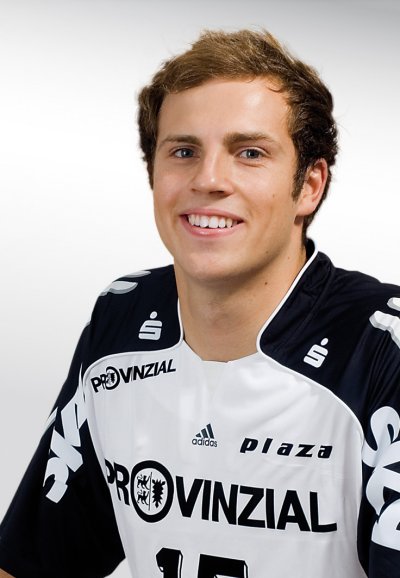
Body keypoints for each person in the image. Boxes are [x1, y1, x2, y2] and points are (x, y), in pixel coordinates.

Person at [0, 28, 399, 578]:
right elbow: (31, 562)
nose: (209, 180)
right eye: (183, 152)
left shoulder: (382, 349)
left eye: (250, 153)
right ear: (153, 174)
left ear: (309, 185)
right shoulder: (123, 316)